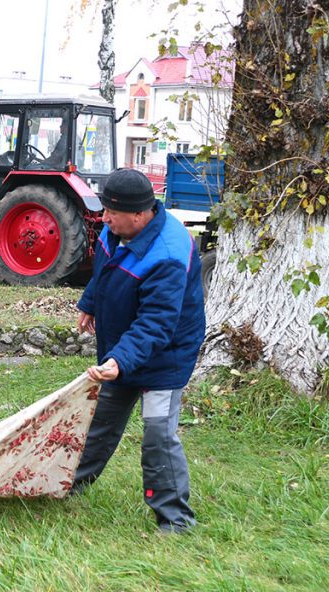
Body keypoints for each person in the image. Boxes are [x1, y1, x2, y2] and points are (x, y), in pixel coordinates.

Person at [73, 168, 205, 534]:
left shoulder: (170, 253)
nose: (104, 219)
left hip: (166, 355)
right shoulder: (118, 228)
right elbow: (105, 269)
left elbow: (158, 323)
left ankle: (175, 519)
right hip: (122, 349)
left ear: (140, 214)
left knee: (158, 434)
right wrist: (91, 302)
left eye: (111, 213)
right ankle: (68, 486)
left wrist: (120, 360)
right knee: (100, 423)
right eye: (105, 210)